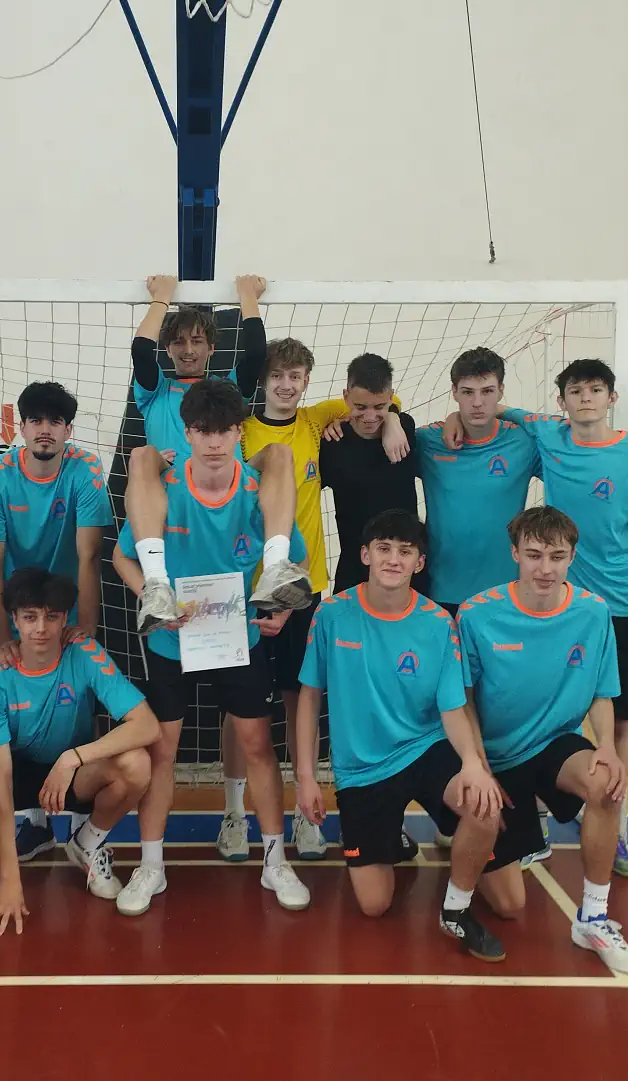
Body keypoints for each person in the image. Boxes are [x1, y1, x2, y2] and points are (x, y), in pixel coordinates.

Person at [432, 348, 628, 866]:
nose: (477, 402)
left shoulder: (529, 442)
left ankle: (599, 821)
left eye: (488, 392)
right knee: (455, 706)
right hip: (448, 597)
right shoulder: (434, 440)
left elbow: (569, 439)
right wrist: (446, 419)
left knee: (556, 707)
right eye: (467, 393)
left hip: (532, 602)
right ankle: (463, 809)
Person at [113, 378, 312, 915]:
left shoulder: (258, 491)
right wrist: (150, 596)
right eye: (203, 430)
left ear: (238, 432)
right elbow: (121, 557)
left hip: (236, 637)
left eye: (224, 430)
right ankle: (151, 866)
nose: (214, 441)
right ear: (188, 433)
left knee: (257, 747)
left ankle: (275, 861)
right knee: (162, 751)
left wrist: (282, 609)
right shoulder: (162, 489)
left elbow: (299, 561)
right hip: (172, 638)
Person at [295, 509, 514, 961]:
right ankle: (391, 833)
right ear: (365, 555)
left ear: (419, 562)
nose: (393, 559)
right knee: (375, 905)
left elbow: (453, 709)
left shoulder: (438, 622)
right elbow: (310, 697)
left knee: (508, 891)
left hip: (424, 748)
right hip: (362, 769)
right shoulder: (331, 614)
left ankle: (455, 910)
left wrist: (473, 765)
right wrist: (305, 778)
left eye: (405, 551)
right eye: (384, 549)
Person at [228, 338, 409, 862]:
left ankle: (302, 813)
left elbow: (378, 402)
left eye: (296, 376)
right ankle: (233, 813)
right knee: (239, 709)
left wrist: (395, 422)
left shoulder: (315, 421)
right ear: (263, 381)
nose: (286, 385)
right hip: (247, 588)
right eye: (277, 376)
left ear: (307, 381)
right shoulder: (242, 432)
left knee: (299, 697)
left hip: (305, 588)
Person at [494, 359, 628, 879]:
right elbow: (498, 408)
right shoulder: (549, 434)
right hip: (558, 608)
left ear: (612, 398)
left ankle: (615, 829)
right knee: (546, 712)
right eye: (576, 392)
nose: (586, 399)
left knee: (618, 721)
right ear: (562, 401)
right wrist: (457, 422)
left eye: (596, 390)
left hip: (618, 609)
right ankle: (540, 813)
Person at [458, 506, 628, 973]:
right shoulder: (477, 614)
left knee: (605, 784)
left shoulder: (593, 612)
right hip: (497, 759)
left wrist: (606, 747)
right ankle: (477, 841)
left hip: (554, 744)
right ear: (515, 554)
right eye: (534, 555)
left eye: (557, 557)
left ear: (572, 557)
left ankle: (594, 919)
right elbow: (463, 701)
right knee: (509, 905)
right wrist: (477, 765)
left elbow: (601, 692)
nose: (545, 569)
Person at [0, 569, 160, 924]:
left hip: (73, 775)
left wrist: (72, 758)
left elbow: (147, 725)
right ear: (14, 620)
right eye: (30, 617)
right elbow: (0, 782)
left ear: (65, 619)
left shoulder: (84, 653)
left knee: (137, 763)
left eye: (52, 616)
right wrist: (10, 879)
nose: (41, 628)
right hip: (13, 770)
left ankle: (87, 843)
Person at [0, 380, 115, 862]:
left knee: (78, 705)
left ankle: (79, 825)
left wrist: (87, 628)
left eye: (55, 421)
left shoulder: (85, 468)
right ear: (22, 427)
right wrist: (1, 636)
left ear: (68, 429)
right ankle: (33, 822)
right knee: (21, 709)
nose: (45, 430)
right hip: (19, 610)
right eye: (35, 420)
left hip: (66, 607)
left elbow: (89, 555)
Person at [124, 274, 310, 633]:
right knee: (143, 455)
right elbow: (141, 352)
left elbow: (256, 354)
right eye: (178, 342)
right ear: (168, 350)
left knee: (278, 453)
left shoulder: (226, 389)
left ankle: (275, 566)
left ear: (211, 348)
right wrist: (161, 297)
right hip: (174, 489)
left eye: (197, 341)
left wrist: (247, 295)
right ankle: (157, 586)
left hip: (227, 484)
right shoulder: (156, 391)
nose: (188, 349)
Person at [318, 353, 428, 598]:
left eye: (379, 407)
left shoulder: (405, 428)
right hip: (355, 566)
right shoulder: (332, 442)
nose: (369, 417)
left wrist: (393, 417)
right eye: (360, 407)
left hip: (405, 565)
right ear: (346, 397)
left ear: (390, 398)